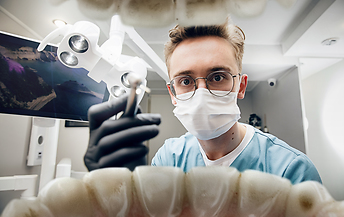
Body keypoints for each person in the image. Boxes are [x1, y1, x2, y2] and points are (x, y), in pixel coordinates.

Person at [84, 20, 322, 184]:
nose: (201, 94)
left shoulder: (290, 171)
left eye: (217, 77)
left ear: (240, 85)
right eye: (185, 81)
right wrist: (113, 191)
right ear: (172, 93)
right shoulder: (169, 158)